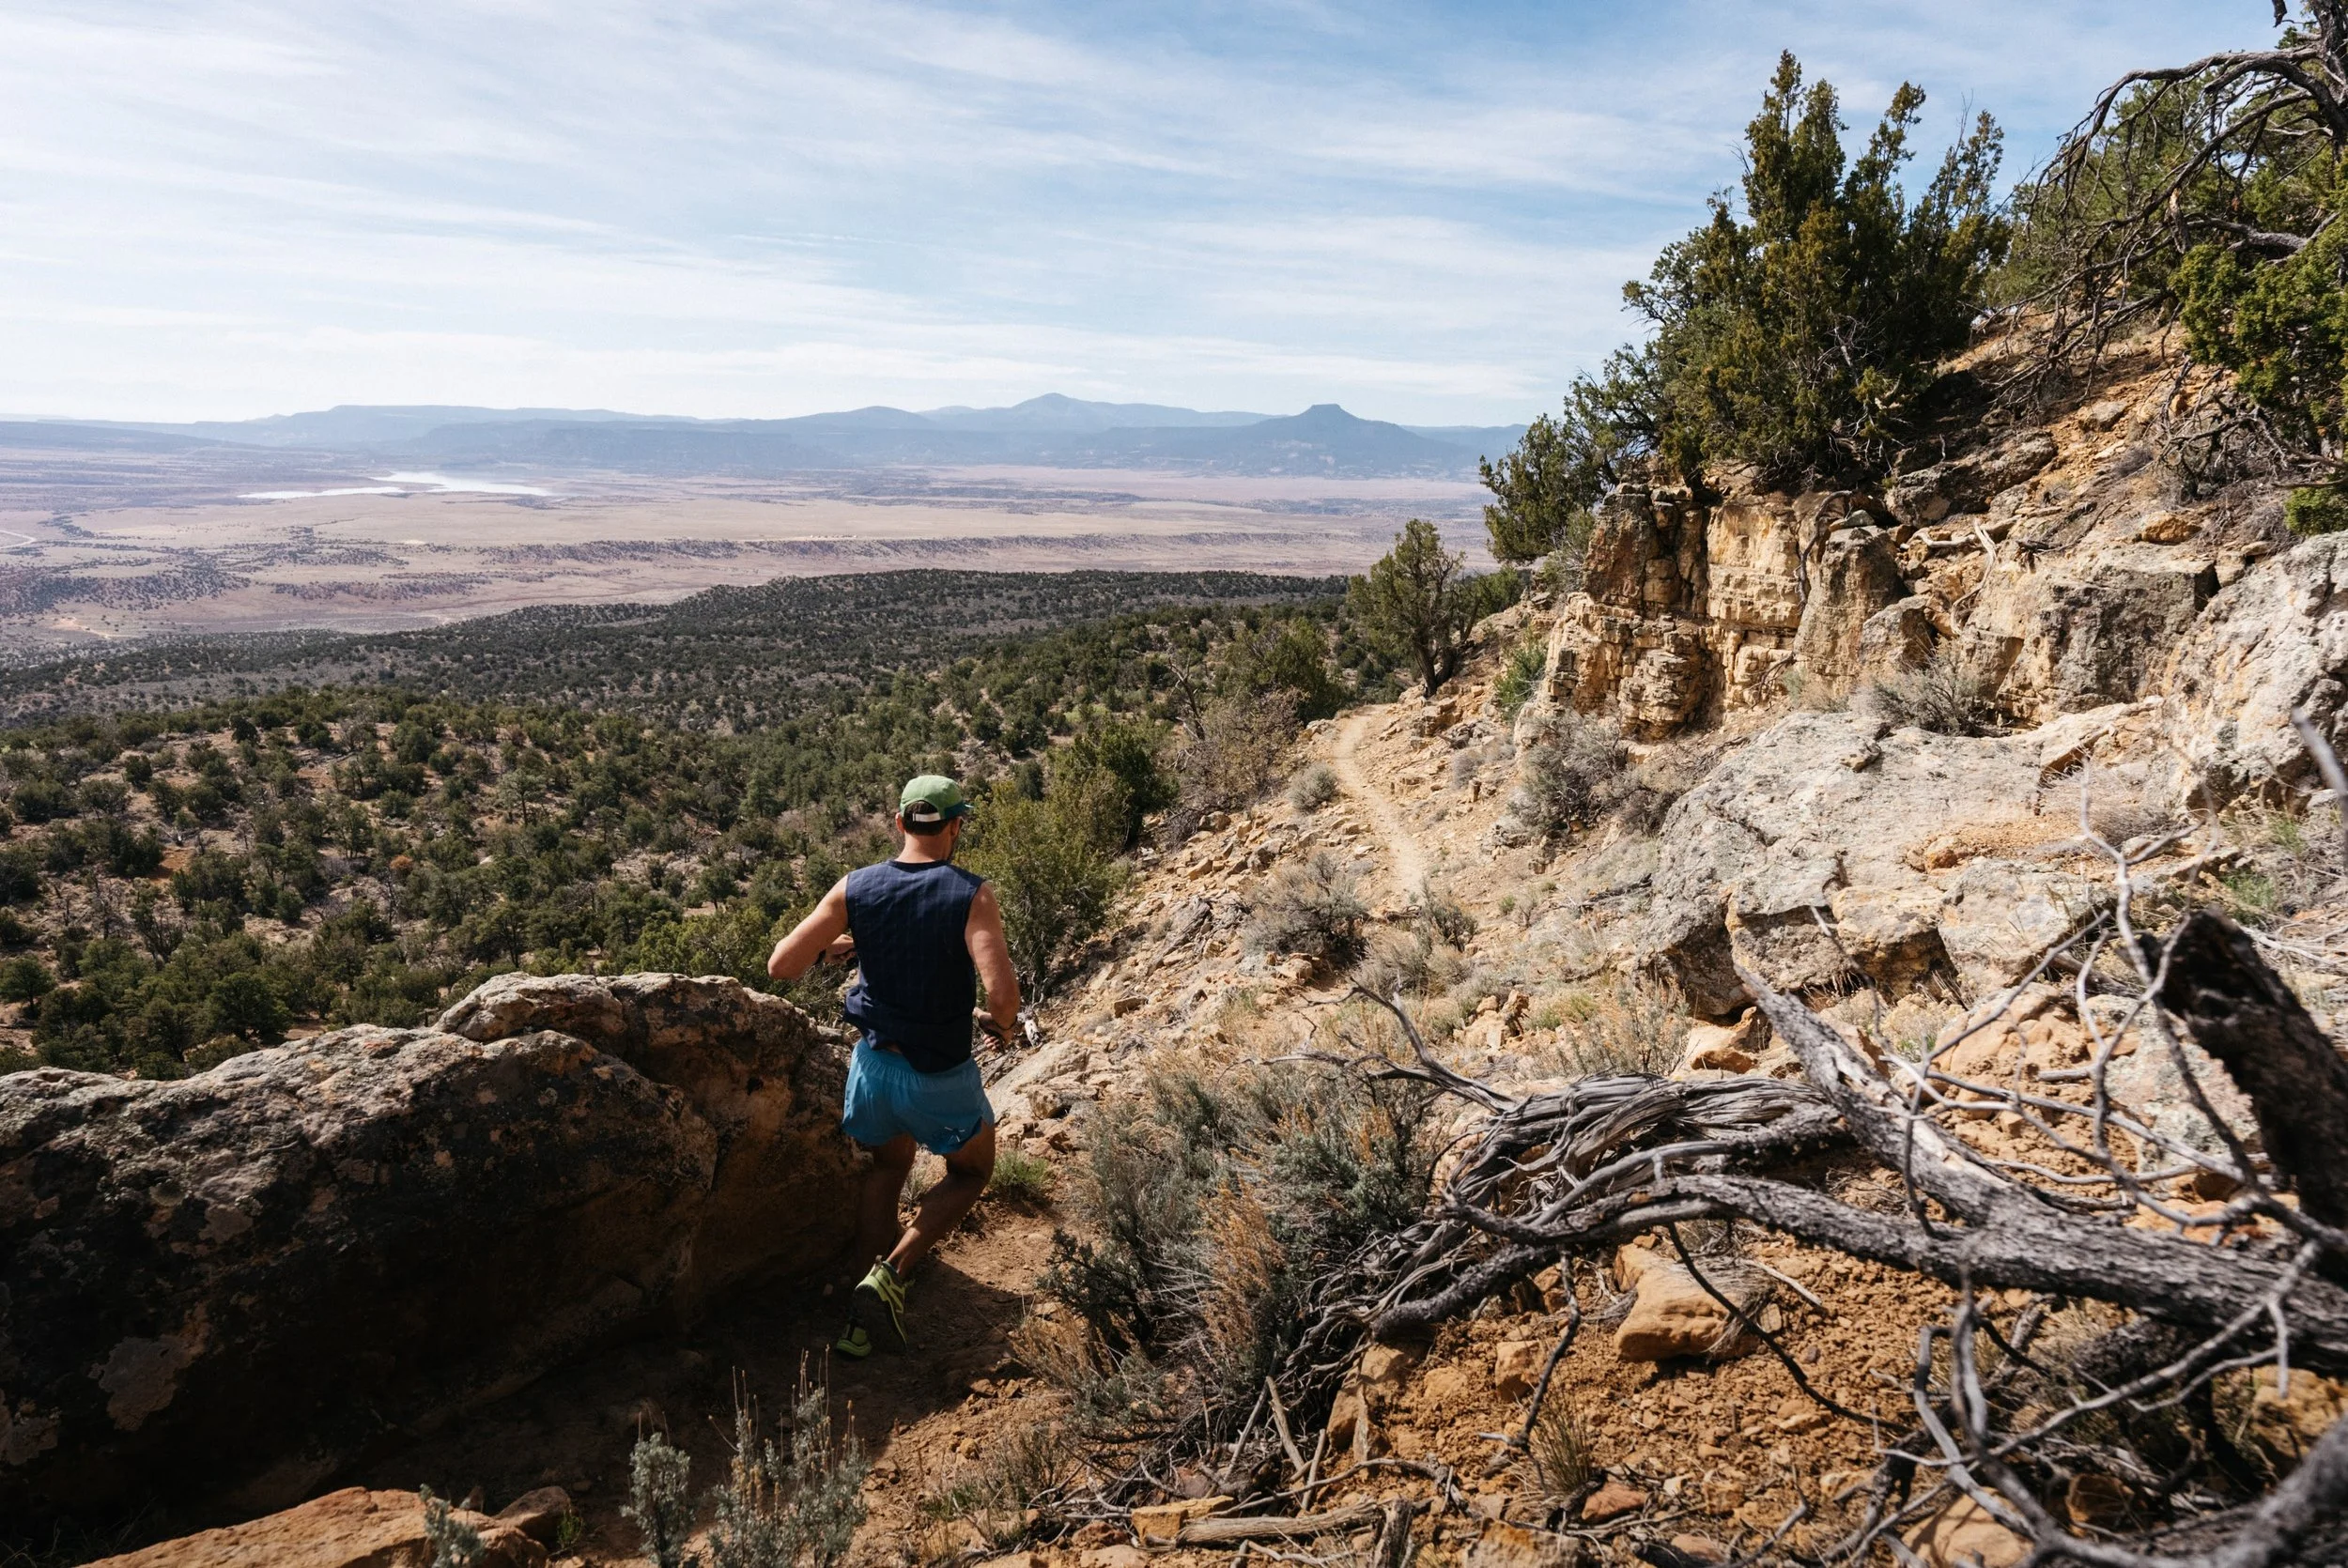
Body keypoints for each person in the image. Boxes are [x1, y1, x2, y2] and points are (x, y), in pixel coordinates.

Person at [766, 774, 1019, 1360]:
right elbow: (1001, 998)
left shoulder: (856, 888)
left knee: (885, 1171)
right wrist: (1002, 1029)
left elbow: (782, 965)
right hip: (938, 1071)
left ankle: (857, 1322)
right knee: (970, 1172)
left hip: (874, 1066)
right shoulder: (971, 894)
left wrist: (848, 941)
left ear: (901, 824)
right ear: (955, 828)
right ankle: (893, 1274)